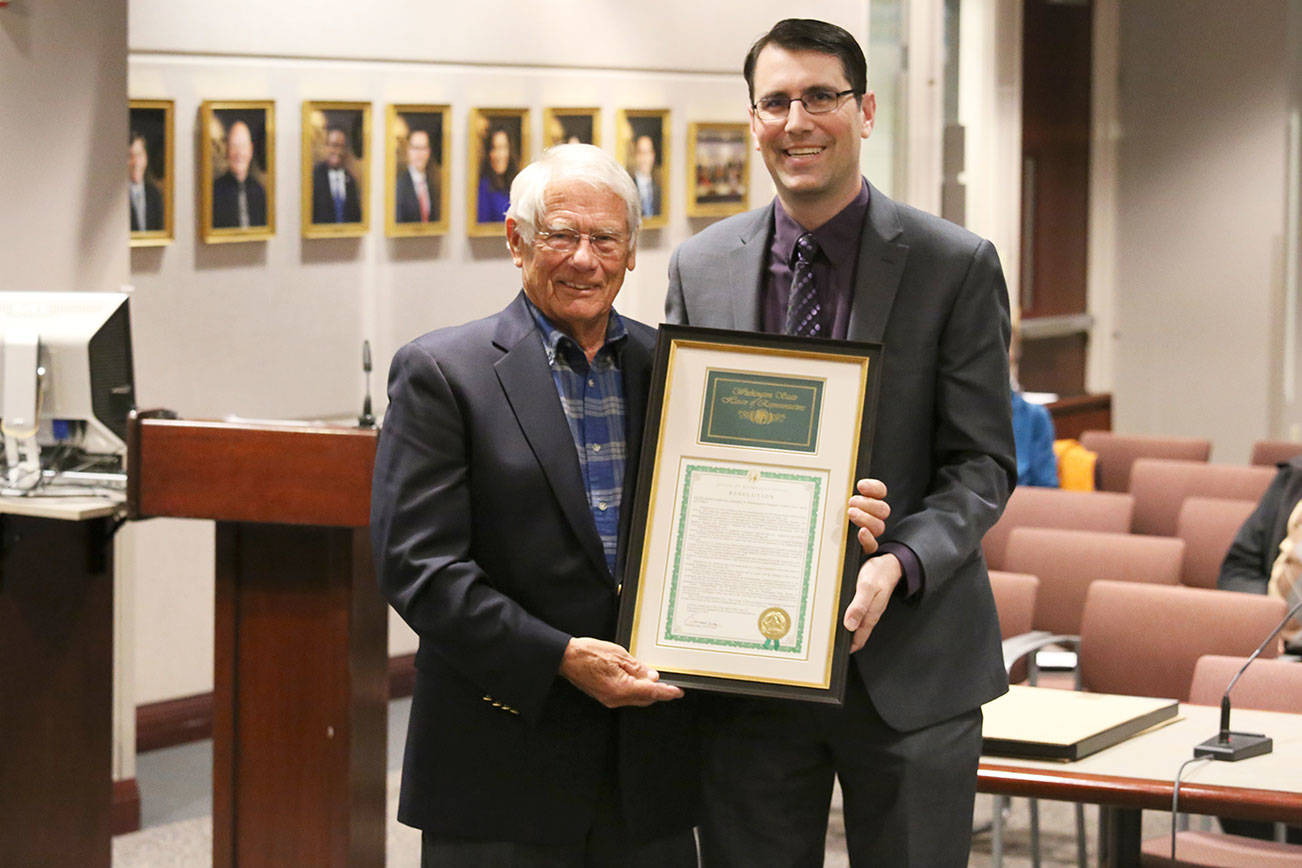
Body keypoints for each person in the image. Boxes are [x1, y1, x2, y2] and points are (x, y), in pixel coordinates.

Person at [665, 18, 1016, 866]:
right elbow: (681, 459)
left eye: (820, 97)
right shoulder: (699, 266)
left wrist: (900, 558)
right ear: (752, 119)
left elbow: (983, 464)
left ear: (862, 111)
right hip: (746, 668)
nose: (798, 121)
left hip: (910, 665)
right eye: (777, 101)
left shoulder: (954, 263)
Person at [371, 143, 699, 865]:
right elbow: (417, 567)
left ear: (633, 253)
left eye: (606, 238)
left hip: (646, 771)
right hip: (500, 762)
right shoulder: (442, 374)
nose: (585, 259)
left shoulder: (676, 370)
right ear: (516, 241)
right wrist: (558, 658)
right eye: (561, 235)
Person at [211, 119, 267, 229]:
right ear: (227, 150)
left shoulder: (260, 192)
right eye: (235, 146)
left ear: (250, 150)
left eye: (243, 147)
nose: (239, 154)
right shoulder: (213, 193)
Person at [310, 125, 362, 224]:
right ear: (326, 147)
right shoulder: (313, 177)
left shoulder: (351, 180)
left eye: (342, 147)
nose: (338, 151)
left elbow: (356, 218)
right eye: (334, 145)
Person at [394, 128, 439, 224]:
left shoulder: (433, 184)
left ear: (429, 152)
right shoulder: (399, 185)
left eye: (423, 148)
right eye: (415, 148)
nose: (420, 154)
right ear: (408, 151)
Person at [476, 126, 516, 223]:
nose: (499, 155)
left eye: (503, 148)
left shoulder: (517, 184)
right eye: (494, 148)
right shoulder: (483, 186)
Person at [128, 132, 164, 232]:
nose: (135, 162)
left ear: (146, 158)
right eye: (130, 156)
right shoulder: (118, 198)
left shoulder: (154, 194)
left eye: (139, 155)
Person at [630, 134, 660, 218]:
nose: (644, 158)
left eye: (647, 153)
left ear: (653, 155)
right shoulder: (629, 186)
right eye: (640, 153)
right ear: (635, 156)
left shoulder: (659, 189)